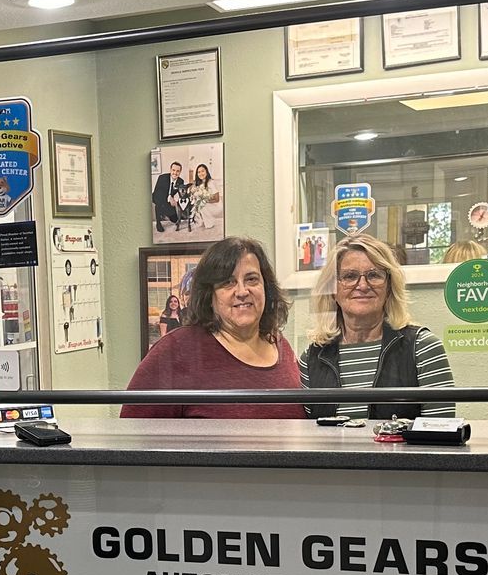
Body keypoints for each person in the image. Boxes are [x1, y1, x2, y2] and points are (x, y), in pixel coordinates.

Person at [123, 236, 302, 419]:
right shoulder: (176, 350)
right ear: (209, 294)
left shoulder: (281, 346)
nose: (242, 291)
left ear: (266, 287)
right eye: (227, 282)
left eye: (251, 279)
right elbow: (133, 432)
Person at [300, 233, 454, 421]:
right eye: (350, 276)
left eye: (374, 275)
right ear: (333, 290)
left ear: (389, 287)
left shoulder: (424, 348)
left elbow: (440, 435)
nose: (363, 285)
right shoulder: (312, 358)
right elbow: (308, 439)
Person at [150, 161, 186, 233]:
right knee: (159, 198)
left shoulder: (181, 181)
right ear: (170, 170)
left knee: (174, 219)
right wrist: (169, 197)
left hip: (168, 202)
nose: (175, 173)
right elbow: (157, 192)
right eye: (173, 170)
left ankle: (164, 212)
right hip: (158, 198)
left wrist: (175, 200)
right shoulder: (162, 177)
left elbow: (179, 194)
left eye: (177, 171)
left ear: (180, 172)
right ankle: (158, 223)